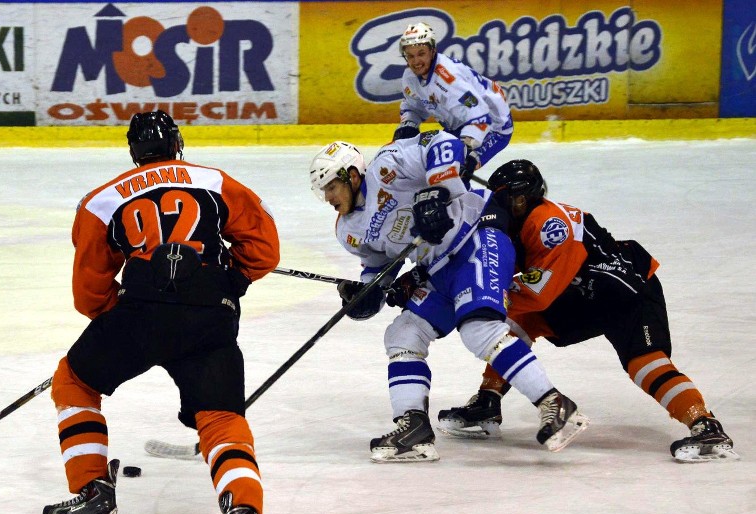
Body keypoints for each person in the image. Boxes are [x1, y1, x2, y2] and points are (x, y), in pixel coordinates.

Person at [40, 111, 298, 514]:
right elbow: (263, 249)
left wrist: (124, 317)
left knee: (73, 381)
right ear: (178, 144)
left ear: (132, 152)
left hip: (141, 313)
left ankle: (94, 494)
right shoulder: (214, 180)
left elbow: (89, 295)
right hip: (210, 315)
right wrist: (230, 281)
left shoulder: (102, 200)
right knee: (221, 417)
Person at [308, 134, 588, 463]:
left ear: (352, 176)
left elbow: (442, 144)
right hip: (437, 266)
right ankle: (413, 428)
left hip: (476, 235)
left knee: (479, 330)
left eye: (330, 187)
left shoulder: (390, 164)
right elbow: (377, 266)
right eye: (322, 190)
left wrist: (435, 193)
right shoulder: (347, 230)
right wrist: (367, 293)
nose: (327, 197)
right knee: (402, 334)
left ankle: (554, 404)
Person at [437, 159, 739, 463]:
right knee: (516, 322)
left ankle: (706, 426)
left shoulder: (549, 225)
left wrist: (476, 299)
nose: (497, 206)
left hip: (625, 291)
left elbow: (538, 294)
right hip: (579, 293)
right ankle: (488, 401)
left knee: (646, 366)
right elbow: (501, 270)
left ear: (521, 198)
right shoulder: (518, 222)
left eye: (503, 200)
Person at [394, 22, 513, 174]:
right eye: (410, 56)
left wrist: (466, 150)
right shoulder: (410, 77)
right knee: (433, 165)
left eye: (421, 53)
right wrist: (408, 125)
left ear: (433, 51)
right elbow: (413, 106)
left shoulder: (449, 79)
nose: (416, 61)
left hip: (494, 125)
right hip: (458, 124)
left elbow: (480, 115)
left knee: (454, 171)